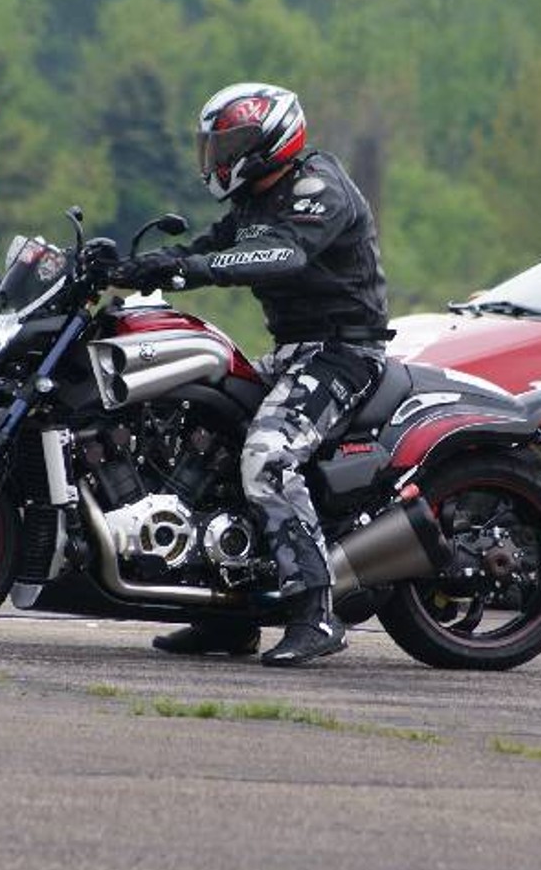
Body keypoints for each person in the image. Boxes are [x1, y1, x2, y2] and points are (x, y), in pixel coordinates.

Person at [106, 82, 389, 667]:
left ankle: (316, 611)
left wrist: (187, 269)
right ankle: (227, 620)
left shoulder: (318, 186)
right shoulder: (254, 203)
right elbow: (211, 246)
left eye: (229, 142)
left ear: (267, 140)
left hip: (342, 353)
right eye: (215, 143)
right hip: (291, 351)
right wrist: (130, 268)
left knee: (266, 456)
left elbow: (280, 255)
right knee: (200, 431)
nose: (218, 155)